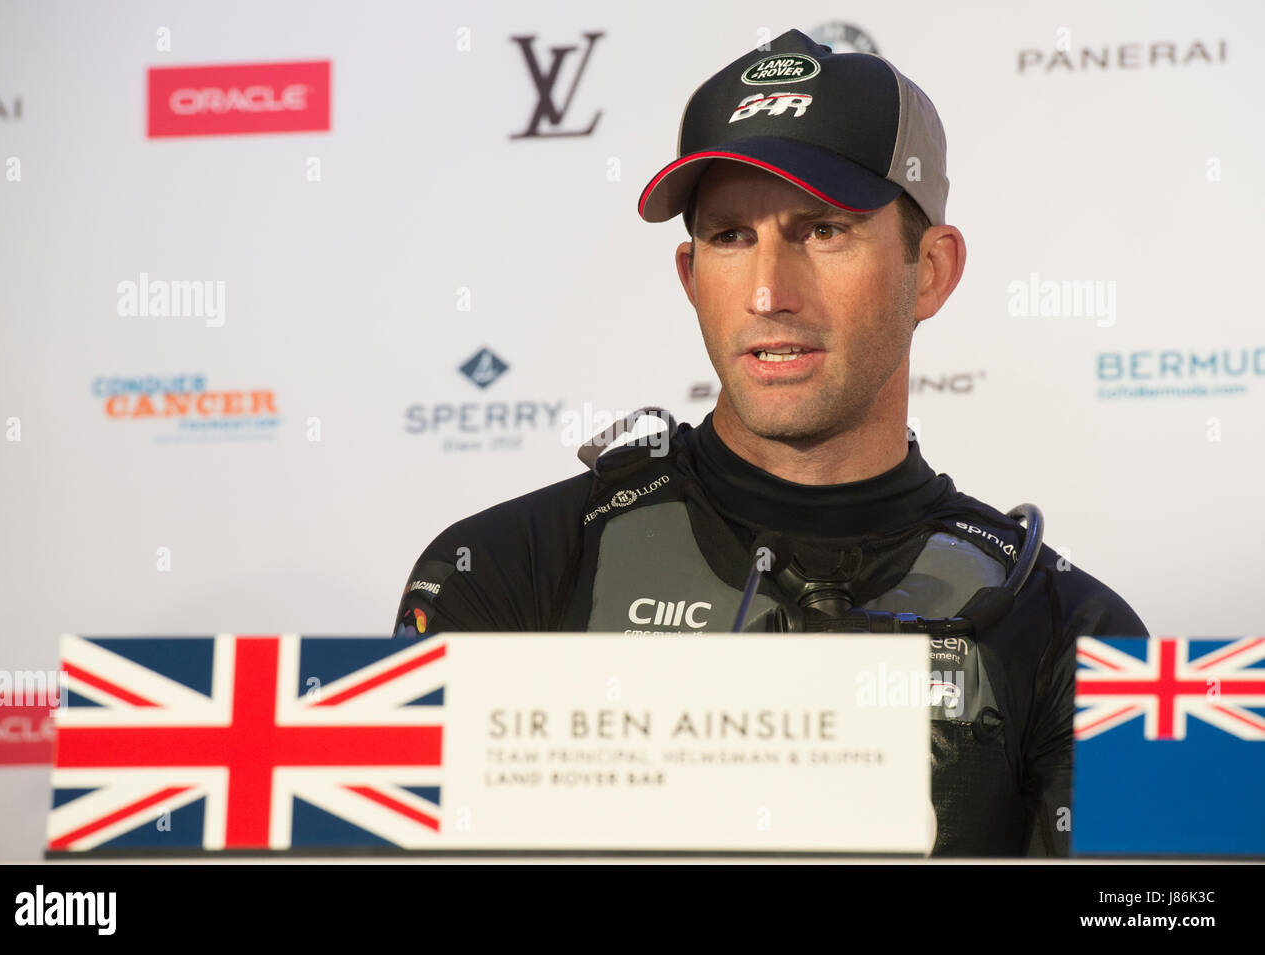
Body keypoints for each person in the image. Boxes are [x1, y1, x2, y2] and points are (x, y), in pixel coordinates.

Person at [394, 28, 1147, 856]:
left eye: (823, 231)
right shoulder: (510, 569)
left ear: (930, 270)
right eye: (729, 237)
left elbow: (1151, 909)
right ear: (689, 277)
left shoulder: (1071, 626)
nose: (767, 292)